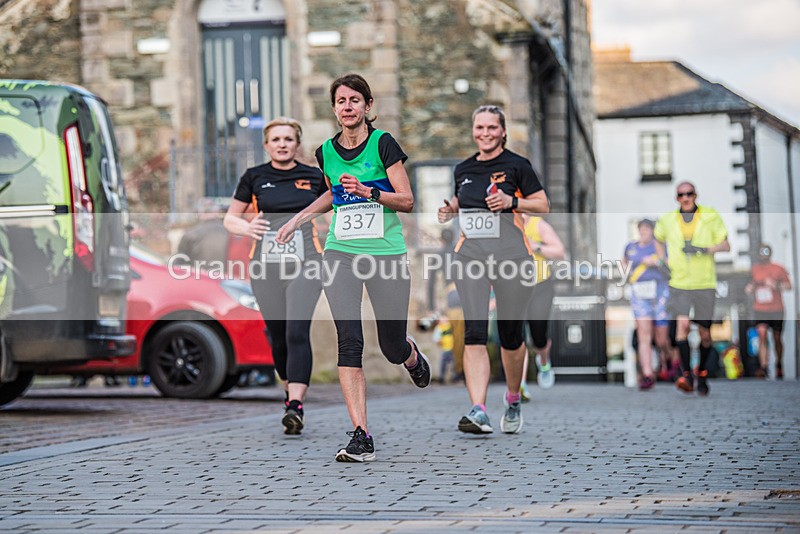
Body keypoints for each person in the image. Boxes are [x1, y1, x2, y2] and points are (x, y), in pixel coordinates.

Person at [276, 73, 430, 462]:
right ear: (334, 109)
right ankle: (361, 434)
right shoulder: (325, 151)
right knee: (350, 340)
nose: (347, 106)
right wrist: (298, 219)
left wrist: (370, 192)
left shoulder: (383, 144)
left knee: (390, 346)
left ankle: (410, 355)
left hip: (386, 254)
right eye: (341, 101)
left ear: (367, 107)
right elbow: (331, 193)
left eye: (354, 100)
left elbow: (408, 201)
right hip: (340, 253)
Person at [438, 104, 549, 434]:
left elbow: (542, 204)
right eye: (479, 128)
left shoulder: (518, 166)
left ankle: (513, 398)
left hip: (512, 257)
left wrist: (511, 202)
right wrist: (450, 209)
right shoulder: (463, 168)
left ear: (502, 131)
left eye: (491, 128)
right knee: (474, 332)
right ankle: (478, 409)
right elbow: (463, 200)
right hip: (470, 256)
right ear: (473, 131)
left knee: (511, 336)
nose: (484, 133)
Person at [224, 117, 326, 435]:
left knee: (297, 331)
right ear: (266, 145)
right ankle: (289, 390)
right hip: (265, 267)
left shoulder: (313, 177)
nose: (282, 144)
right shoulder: (254, 177)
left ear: (297, 144)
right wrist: (247, 226)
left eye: (288, 139)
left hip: (308, 262)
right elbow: (231, 219)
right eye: (276, 139)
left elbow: (335, 206)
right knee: (279, 337)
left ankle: (295, 404)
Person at [654, 182, 729, 396]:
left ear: (695, 195)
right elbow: (658, 239)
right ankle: (686, 375)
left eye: (689, 194)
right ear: (676, 198)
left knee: (705, 335)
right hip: (679, 282)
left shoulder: (710, 215)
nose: (685, 198)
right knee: (683, 326)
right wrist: (662, 261)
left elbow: (726, 244)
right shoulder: (668, 220)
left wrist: (704, 249)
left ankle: (702, 374)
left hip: (704, 283)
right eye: (681, 195)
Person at [621, 219, 673, 390]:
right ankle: (648, 374)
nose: (643, 232)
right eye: (641, 229)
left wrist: (656, 262)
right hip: (640, 293)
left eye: (646, 229)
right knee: (644, 334)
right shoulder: (631, 247)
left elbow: (670, 264)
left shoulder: (659, 246)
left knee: (661, 337)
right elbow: (624, 266)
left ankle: (667, 357)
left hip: (659, 291)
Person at [520, 214, 565, 400]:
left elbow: (560, 252)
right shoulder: (504, 225)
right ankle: (519, 385)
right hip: (514, 285)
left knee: (538, 336)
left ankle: (544, 362)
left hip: (540, 285)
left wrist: (535, 246)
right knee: (517, 337)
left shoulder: (538, 226)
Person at [746, 243, 792, 379]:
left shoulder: (778, 268)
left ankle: (779, 364)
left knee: (777, 338)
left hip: (776, 308)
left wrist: (775, 285)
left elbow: (789, 286)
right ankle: (764, 367)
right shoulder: (754, 269)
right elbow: (750, 285)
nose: (763, 255)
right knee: (762, 334)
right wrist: (751, 288)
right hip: (760, 308)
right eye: (761, 253)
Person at [433, 314, 456, 383]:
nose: (445, 321)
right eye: (443, 320)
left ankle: (454, 377)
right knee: (443, 364)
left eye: (446, 320)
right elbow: (436, 338)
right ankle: (441, 378)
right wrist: (439, 342)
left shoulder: (450, 326)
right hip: (444, 349)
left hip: (452, 348)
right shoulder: (439, 328)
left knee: (453, 364)